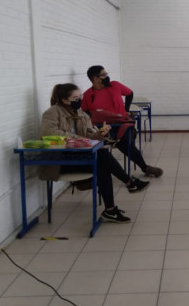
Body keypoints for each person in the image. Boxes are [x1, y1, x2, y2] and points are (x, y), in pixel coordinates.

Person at [39, 84, 151, 223]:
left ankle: (111, 209)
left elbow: (90, 135)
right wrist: (80, 139)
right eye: (75, 98)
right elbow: (49, 133)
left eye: (80, 96)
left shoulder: (81, 113)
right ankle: (129, 184)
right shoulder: (52, 113)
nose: (79, 100)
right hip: (59, 161)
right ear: (64, 100)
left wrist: (101, 134)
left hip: (79, 158)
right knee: (103, 158)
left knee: (103, 163)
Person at [81, 65, 163, 178]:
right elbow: (85, 113)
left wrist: (127, 109)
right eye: (103, 75)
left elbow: (130, 93)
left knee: (125, 141)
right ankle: (142, 169)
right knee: (118, 143)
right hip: (103, 128)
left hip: (123, 124)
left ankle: (143, 168)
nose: (107, 76)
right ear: (95, 79)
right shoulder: (87, 95)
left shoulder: (115, 85)